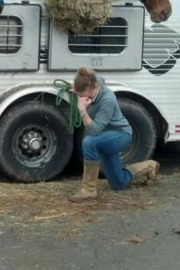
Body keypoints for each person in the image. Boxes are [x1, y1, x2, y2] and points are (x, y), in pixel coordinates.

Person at [68, 67, 159, 203]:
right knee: (119, 183)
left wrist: (82, 110)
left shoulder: (107, 100)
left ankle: (89, 190)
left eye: (86, 95)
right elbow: (96, 79)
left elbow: (94, 130)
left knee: (89, 142)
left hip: (120, 135)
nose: (83, 98)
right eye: (81, 96)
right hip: (105, 137)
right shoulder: (92, 83)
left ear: (95, 87)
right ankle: (149, 167)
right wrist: (76, 89)